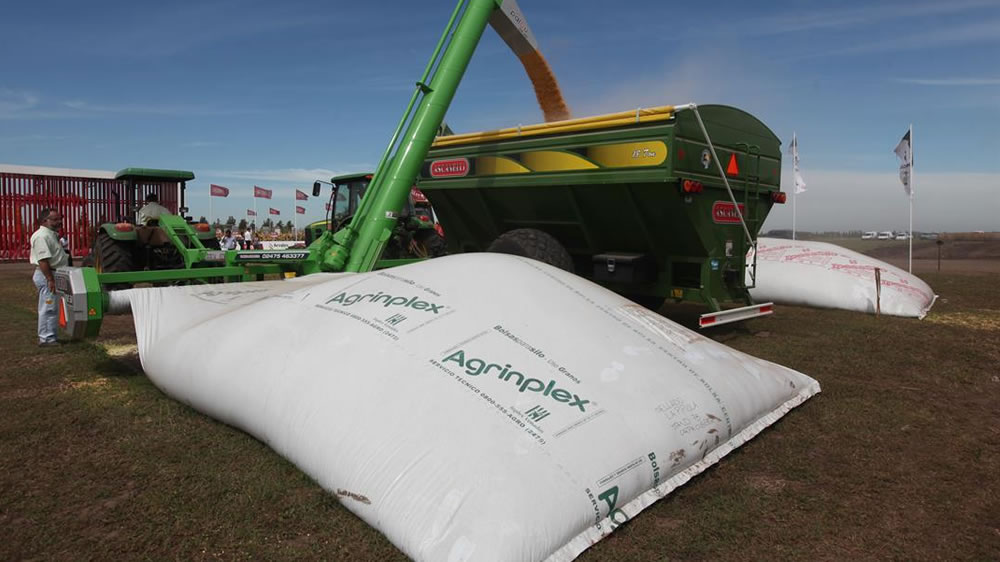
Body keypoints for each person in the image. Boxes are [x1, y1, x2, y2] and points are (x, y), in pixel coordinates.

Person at [29, 208, 68, 346]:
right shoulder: (41, 236)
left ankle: (50, 336)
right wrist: (50, 279)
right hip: (47, 274)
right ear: (45, 220)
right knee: (48, 307)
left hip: (52, 274)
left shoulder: (51, 234)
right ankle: (46, 338)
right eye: (55, 219)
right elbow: (43, 260)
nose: (59, 222)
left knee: (52, 307)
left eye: (60, 219)